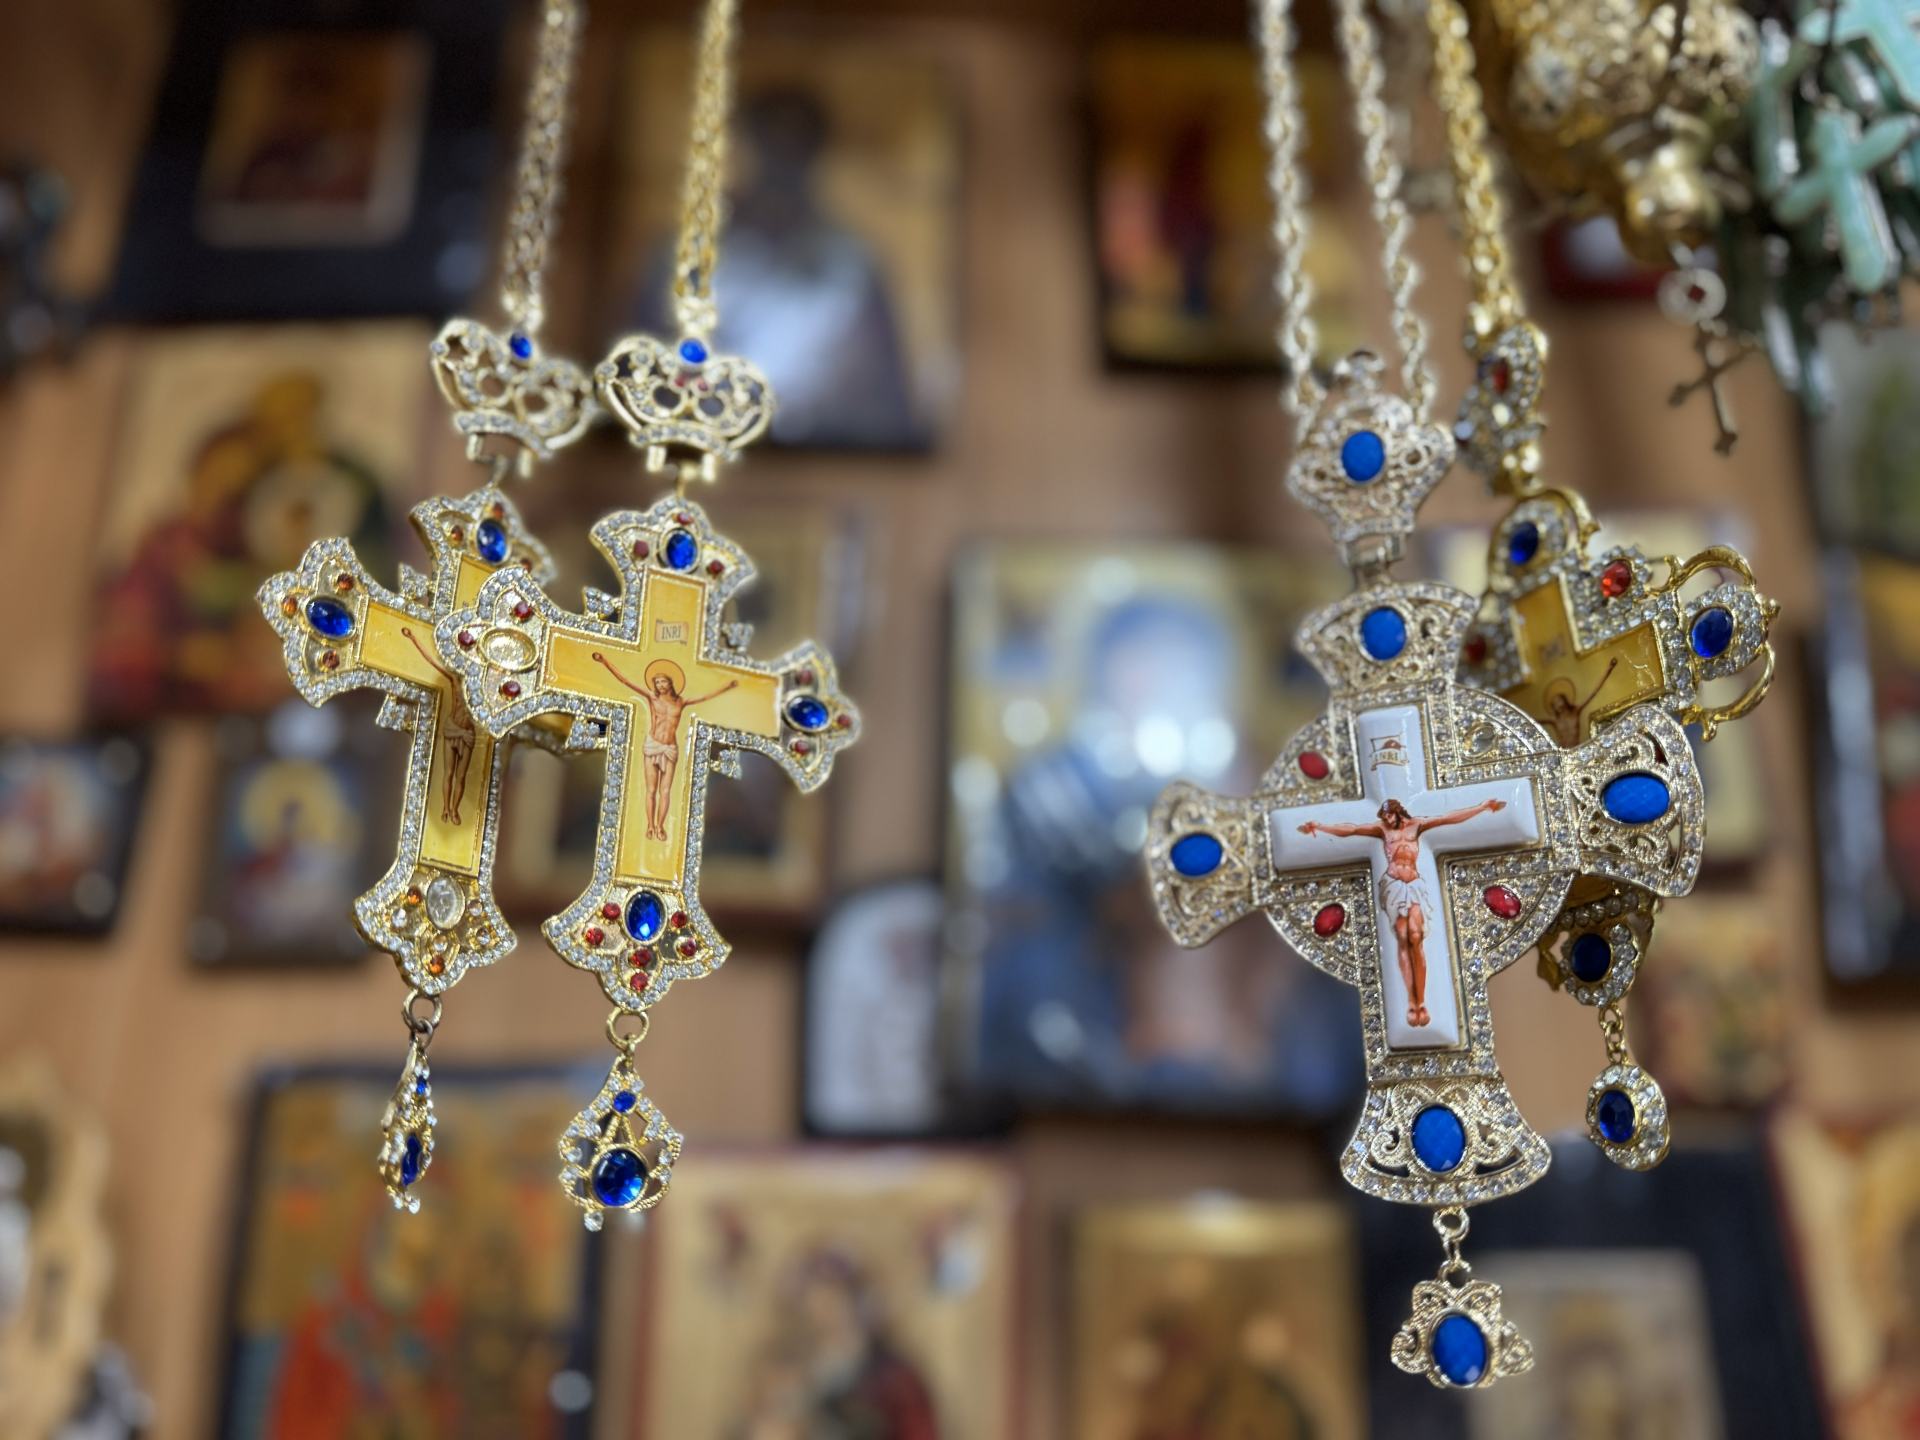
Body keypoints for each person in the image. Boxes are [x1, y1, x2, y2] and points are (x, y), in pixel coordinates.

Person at [1298, 796, 1507, 1027]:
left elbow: (1448, 818)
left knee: (1416, 937)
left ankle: (1422, 998)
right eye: (1384, 817)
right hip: (1394, 886)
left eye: (1389, 815)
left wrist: (1482, 807)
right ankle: (1412, 1003)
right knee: (1402, 938)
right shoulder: (1381, 830)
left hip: (1414, 885)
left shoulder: (1417, 825)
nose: (1386, 820)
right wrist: (1321, 826)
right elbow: (1353, 830)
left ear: (1397, 812)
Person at [590, 653, 737, 840]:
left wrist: (727, 687)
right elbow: (625, 681)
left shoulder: (680, 702)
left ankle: (660, 826)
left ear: (670, 683)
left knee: (665, 790)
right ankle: (650, 826)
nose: (660, 685)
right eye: (657, 682)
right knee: (651, 790)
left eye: (663, 682)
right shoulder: (652, 697)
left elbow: (704, 697)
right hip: (653, 745)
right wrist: (605, 662)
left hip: (670, 748)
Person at [399, 626, 476, 825]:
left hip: (468, 733)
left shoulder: (481, 683)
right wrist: (413, 638)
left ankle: (454, 809)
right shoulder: (454, 680)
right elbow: (432, 661)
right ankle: (445, 807)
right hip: (452, 729)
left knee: (461, 775)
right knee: (448, 772)